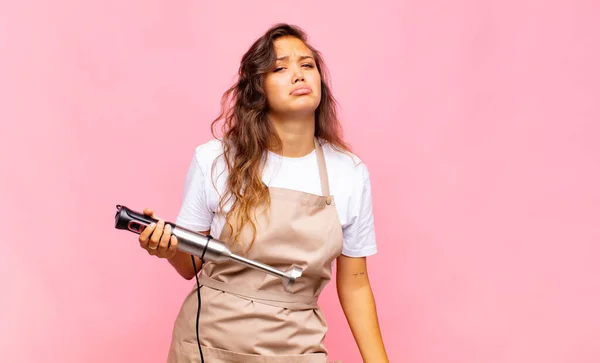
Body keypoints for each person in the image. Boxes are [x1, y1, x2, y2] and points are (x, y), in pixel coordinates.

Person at [138, 23, 389, 363]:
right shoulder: (215, 160)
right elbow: (190, 264)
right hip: (208, 344)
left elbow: (356, 283)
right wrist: (165, 248)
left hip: (296, 347)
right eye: (280, 68)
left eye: (307, 65)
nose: (299, 75)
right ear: (258, 89)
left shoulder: (349, 173)